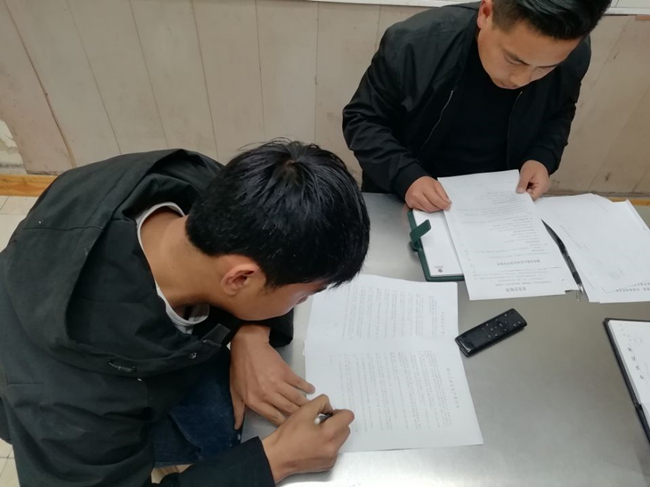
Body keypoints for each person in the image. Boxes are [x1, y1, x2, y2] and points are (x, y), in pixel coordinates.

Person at [0, 141, 370, 486]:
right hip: (58, 413)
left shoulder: (194, 181)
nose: (303, 303)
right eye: (305, 294)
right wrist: (276, 460)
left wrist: (252, 334)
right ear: (241, 278)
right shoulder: (73, 409)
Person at [343, 0, 611, 212]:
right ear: (486, 13)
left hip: (498, 200)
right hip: (406, 192)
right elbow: (362, 120)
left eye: (545, 68)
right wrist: (405, 176)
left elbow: (560, 111)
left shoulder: (572, 55)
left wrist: (541, 157)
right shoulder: (414, 43)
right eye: (514, 60)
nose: (521, 80)